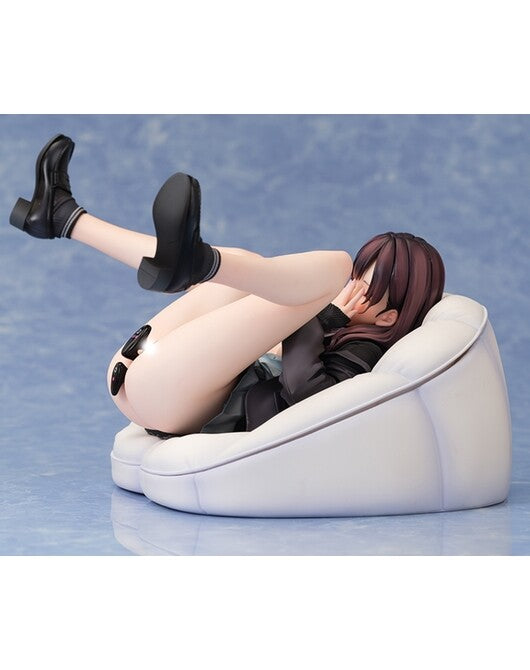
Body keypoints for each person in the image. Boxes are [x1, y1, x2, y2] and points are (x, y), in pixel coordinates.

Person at [9, 134, 445, 438]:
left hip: (175, 400)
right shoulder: (337, 325)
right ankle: (65, 218)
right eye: (359, 274)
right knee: (245, 269)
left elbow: (306, 394)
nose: (352, 286)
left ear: (389, 316)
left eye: (367, 285)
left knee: (328, 266)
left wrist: (325, 316)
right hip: (145, 378)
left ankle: (195, 262)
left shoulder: (364, 349)